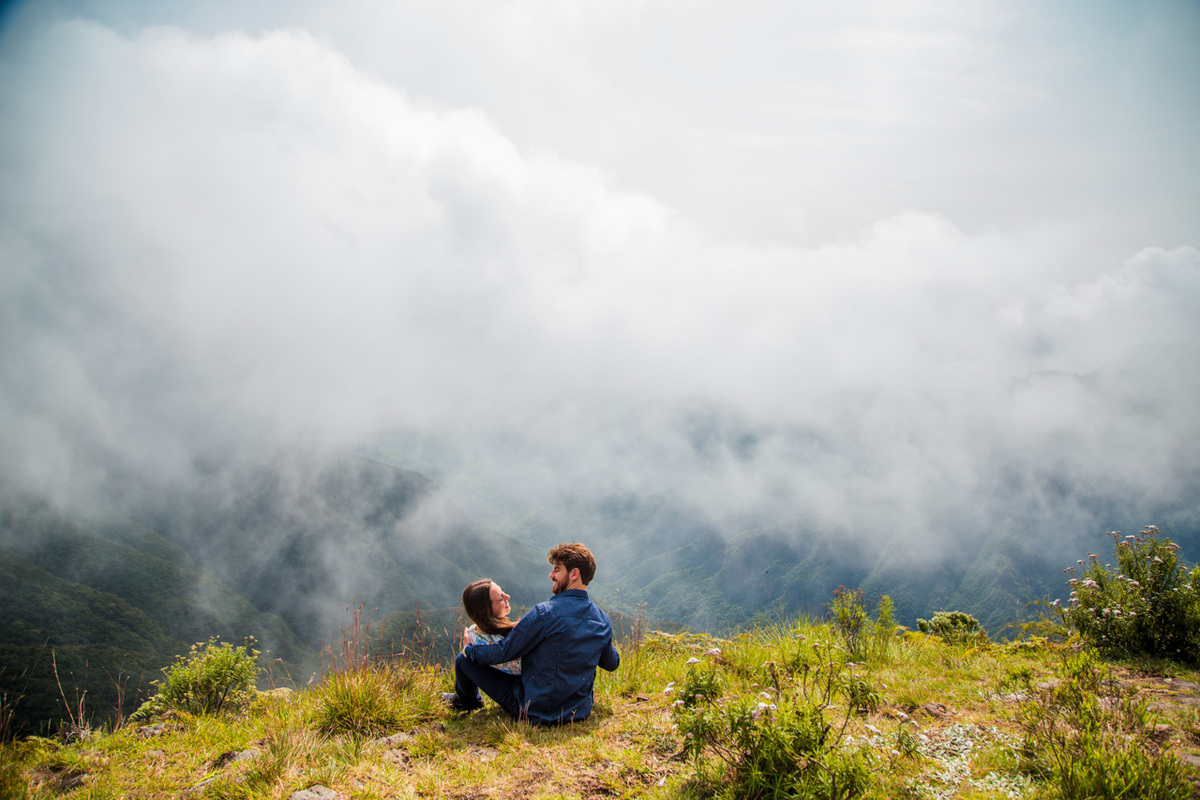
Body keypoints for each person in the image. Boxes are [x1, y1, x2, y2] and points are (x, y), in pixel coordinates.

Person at [448, 542, 620, 725]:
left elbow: (504, 652)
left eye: (557, 570)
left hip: (533, 710)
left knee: (463, 660)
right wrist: (599, 640)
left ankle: (467, 701)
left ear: (574, 574)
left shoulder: (544, 613)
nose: (551, 575)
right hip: (578, 712)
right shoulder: (601, 620)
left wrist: (470, 650)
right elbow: (611, 663)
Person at [460, 578, 521, 675]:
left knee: (461, 660)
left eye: (502, 591)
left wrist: (467, 649)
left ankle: (463, 691)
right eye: (500, 598)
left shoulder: (473, 635)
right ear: (487, 611)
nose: (507, 596)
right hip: (522, 685)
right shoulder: (518, 633)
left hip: (512, 681)